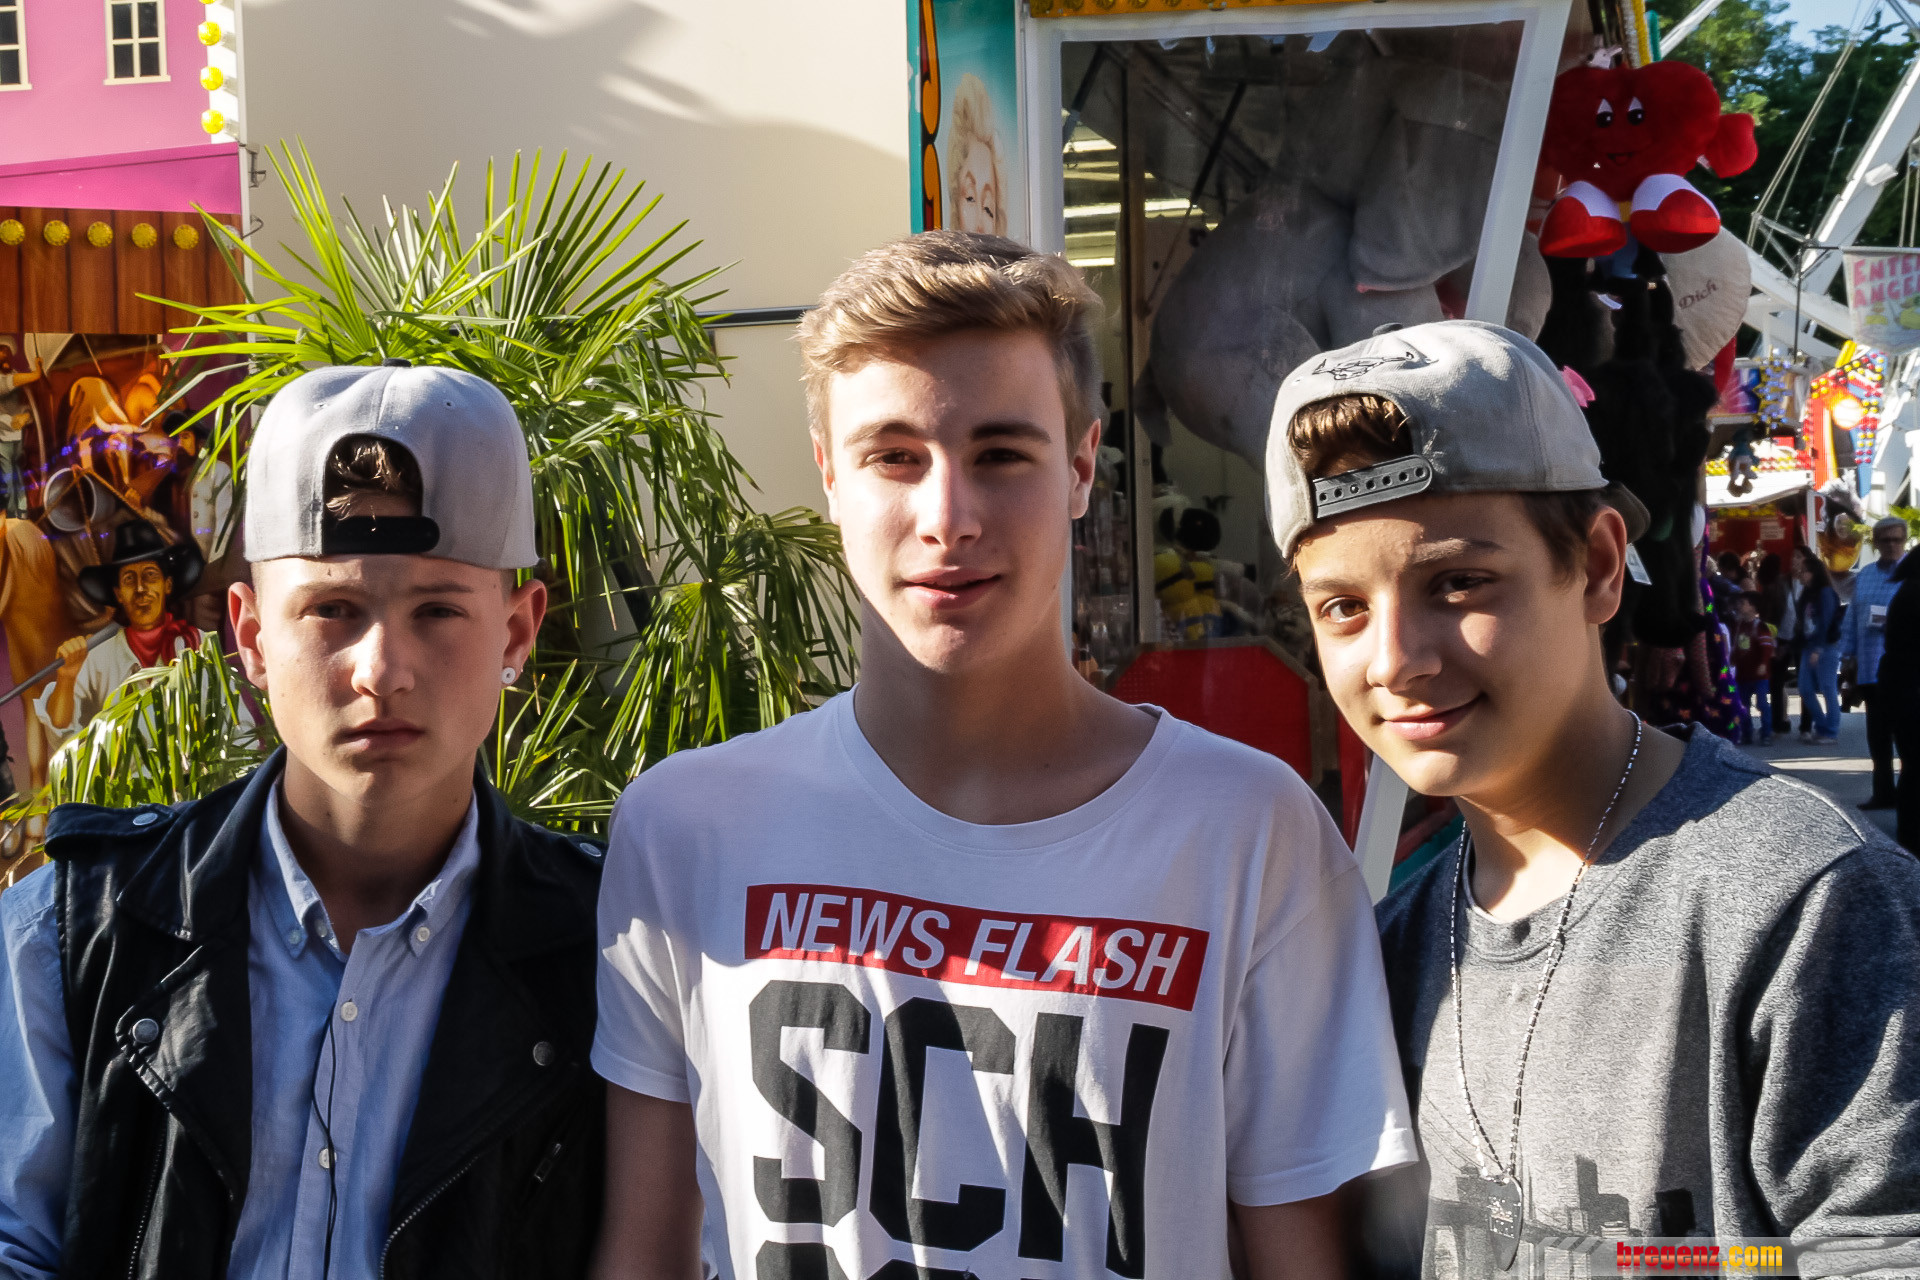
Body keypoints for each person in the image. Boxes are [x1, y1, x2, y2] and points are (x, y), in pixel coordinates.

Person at [589, 232, 1416, 1280]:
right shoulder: (687, 829)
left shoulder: (1247, 831)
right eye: (895, 456)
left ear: (1081, 466)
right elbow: (645, 1248)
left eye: (1001, 454)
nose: (949, 518)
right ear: (829, 474)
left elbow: (1299, 1256)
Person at [1264, 320, 1920, 1276]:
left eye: (1459, 583)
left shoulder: (1802, 897)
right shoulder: (1388, 943)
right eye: (1343, 608)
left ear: (1601, 567)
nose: (1395, 660)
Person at [0, 362, 607, 1279]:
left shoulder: (610, 951)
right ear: (250, 636)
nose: (382, 671)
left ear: (516, 633)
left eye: (437, 610)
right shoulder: (75, 933)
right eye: (332, 609)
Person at [34, 520, 205, 745]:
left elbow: (238, 725)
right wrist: (66, 677)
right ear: (118, 594)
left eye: (150, 575)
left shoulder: (198, 645)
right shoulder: (99, 657)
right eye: (129, 579)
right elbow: (60, 732)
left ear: (168, 585)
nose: (141, 589)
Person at [1841, 515, 1910, 807]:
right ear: (1876, 542)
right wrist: (1847, 657)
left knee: (1908, 739)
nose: (1892, 545)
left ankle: (1909, 796)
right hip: (1870, 668)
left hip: (1906, 671)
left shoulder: (1913, 574)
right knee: (1878, 737)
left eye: (1897, 539)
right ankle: (1883, 793)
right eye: (1885, 540)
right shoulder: (1866, 575)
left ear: (1904, 541)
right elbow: (1852, 617)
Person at [1882, 549, 1920, 851]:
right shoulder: (1914, 594)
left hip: (1899, 687)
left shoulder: (1905, 591)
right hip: (1911, 689)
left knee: (1912, 765)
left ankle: (1908, 833)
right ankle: (1911, 835)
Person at [1796, 546, 1842, 745]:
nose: (1801, 574)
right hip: (1808, 645)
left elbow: (1825, 621)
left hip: (1826, 646)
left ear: (1814, 573)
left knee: (1827, 687)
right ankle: (1821, 725)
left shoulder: (1826, 592)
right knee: (1805, 688)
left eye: (1805, 571)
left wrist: (1819, 648)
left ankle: (1830, 731)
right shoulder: (1807, 593)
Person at [1729, 590, 1776, 746]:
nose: (1739, 606)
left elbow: (1767, 648)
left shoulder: (1760, 626)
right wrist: (1732, 660)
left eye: (1743, 603)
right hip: (1743, 675)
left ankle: (1766, 733)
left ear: (1753, 607)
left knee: (1762, 703)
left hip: (1760, 676)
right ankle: (1746, 733)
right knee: (1743, 705)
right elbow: (1736, 647)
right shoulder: (1738, 626)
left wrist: (1763, 664)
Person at [1756, 551, 1795, 734]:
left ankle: (1778, 720)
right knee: (1779, 682)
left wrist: (1772, 641)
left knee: (1775, 683)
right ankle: (1782, 719)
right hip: (1785, 637)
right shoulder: (1784, 584)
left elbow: (1772, 617)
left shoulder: (1771, 589)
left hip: (1776, 639)